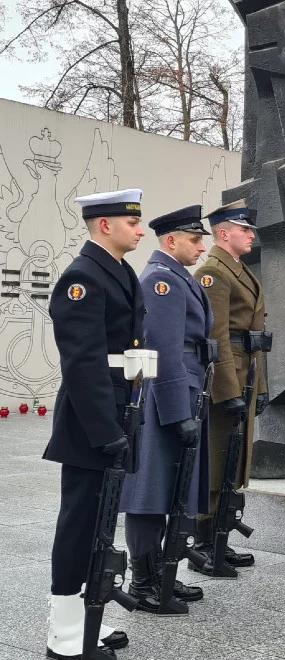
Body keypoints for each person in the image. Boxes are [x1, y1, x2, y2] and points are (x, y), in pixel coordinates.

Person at [45, 189, 145, 660]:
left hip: (117, 412)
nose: (141, 231)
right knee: (80, 524)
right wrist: (107, 432)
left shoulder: (120, 271)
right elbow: (83, 364)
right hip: (92, 422)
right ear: (105, 225)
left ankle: (91, 622)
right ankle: (64, 634)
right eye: (132, 223)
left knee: (101, 524)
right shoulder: (82, 277)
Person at [119, 206, 211, 616]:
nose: (202, 246)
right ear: (171, 240)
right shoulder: (162, 281)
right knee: (150, 492)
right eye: (195, 239)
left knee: (170, 490)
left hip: (183, 390)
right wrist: (178, 413)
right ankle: (143, 582)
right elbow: (164, 350)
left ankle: (160, 576)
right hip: (165, 398)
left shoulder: (177, 278)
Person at [190, 200, 268, 575]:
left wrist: (261, 387)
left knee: (233, 462)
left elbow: (255, 338)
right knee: (217, 458)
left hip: (246, 370)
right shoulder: (213, 273)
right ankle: (202, 543)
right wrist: (229, 391)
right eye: (245, 229)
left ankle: (220, 535)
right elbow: (217, 336)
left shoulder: (239, 270)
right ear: (224, 233)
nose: (251, 235)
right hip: (228, 376)